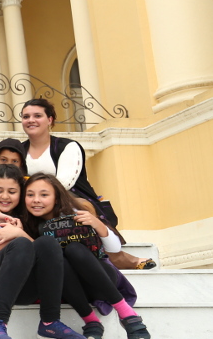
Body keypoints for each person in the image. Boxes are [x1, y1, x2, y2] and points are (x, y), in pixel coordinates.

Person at [0, 164, 84, 339]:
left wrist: (19, 233)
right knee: (20, 244)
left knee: (46, 243)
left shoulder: (26, 215)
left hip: (22, 286)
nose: (5, 196)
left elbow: (41, 253)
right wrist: (6, 243)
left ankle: (50, 322)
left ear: (21, 193)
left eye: (12, 191)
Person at [20, 98, 152, 270]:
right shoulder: (18, 150)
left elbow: (64, 183)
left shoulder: (68, 147)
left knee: (79, 209)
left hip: (68, 201)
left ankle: (121, 259)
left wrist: (39, 196)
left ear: (50, 120)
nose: (31, 120)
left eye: (37, 116)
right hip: (33, 204)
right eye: (26, 116)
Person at [24, 174, 151, 339]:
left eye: (44, 195)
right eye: (30, 195)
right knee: (58, 259)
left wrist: (97, 223)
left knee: (74, 249)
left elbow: (114, 249)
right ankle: (91, 321)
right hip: (69, 288)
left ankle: (127, 314)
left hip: (101, 278)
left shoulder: (75, 214)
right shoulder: (26, 224)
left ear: (56, 197)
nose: (36, 200)